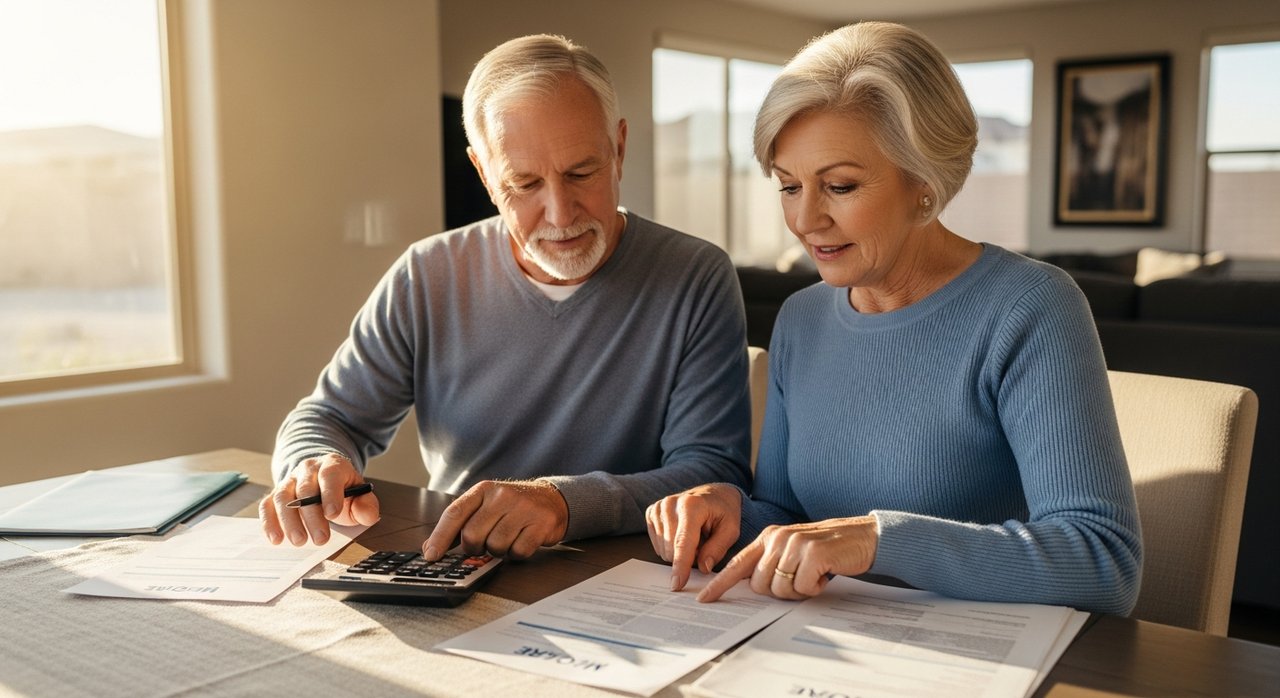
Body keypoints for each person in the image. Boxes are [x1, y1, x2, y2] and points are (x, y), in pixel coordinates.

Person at [645, 21, 1143, 615]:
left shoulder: (1031, 308)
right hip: (824, 645)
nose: (805, 220)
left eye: (840, 185)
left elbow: (1104, 562)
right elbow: (783, 515)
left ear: (924, 185)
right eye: (788, 186)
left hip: (979, 658)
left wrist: (880, 540)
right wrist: (727, 512)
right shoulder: (801, 319)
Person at [261, 34, 751, 564]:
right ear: (484, 174)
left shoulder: (695, 276)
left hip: (621, 571)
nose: (561, 214)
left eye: (581, 172)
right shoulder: (428, 274)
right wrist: (314, 462)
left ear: (620, 147)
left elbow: (711, 471)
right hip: (456, 561)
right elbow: (330, 417)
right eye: (524, 183)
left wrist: (564, 503)